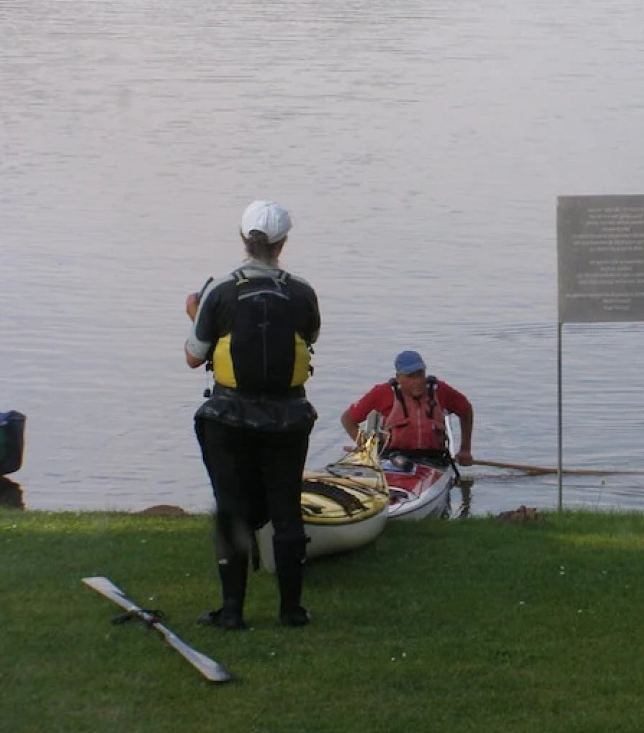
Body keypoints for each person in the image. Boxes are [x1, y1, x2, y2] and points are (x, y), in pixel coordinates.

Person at [186, 200, 321, 629]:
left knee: (231, 510)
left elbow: (194, 357)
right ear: (283, 243)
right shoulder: (301, 292)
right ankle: (291, 611)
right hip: (288, 420)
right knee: (286, 509)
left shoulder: (219, 292)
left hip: (228, 418)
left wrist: (195, 315)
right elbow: (310, 335)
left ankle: (231, 612)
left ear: (244, 239)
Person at [341, 350, 476, 467]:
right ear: (398, 378)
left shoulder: (439, 390)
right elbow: (348, 419)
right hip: (393, 460)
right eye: (410, 376)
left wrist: (465, 449)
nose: (417, 381)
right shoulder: (383, 392)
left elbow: (466, 410)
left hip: (434, 460)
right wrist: (366, 448)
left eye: (420, 374)